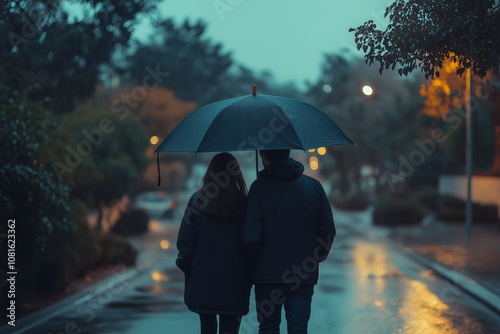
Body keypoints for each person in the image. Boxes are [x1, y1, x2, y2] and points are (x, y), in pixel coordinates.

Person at [243, 149, 336, 334]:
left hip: (266, 278)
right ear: (287, 154)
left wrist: (252, 265)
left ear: (265, 157)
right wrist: (314, 260)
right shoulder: (314, 187)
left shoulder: (258, 188)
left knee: (268, 328)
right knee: (298, 329)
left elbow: (251, 237)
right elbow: (327, 232)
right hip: (302, 276)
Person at [176, 152, 251, 334]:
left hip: (203, 279)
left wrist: (191, 269)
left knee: (207, 328)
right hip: (235, 281)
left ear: (210, 173)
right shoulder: (245, 204)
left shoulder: (197, 201)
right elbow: (252, 240)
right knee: (230, 329)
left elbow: (185, 242)